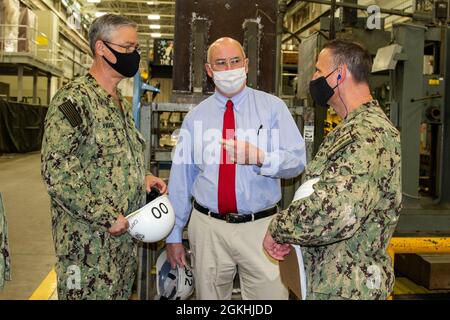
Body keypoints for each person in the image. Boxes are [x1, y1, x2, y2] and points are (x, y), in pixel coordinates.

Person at [165, 37, 306, 300]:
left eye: (235, 61)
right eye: (221, 63)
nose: (229, 69)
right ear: (209, 70)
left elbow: (297, 161)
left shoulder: (273, 109)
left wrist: (260, 157)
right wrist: (174, 235)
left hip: (261, 227)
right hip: (208, 228)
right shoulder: (196, 118)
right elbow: (181, 180)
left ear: (247, 64)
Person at [263, 39, 402, 300]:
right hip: (331, 284)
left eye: (318, 70)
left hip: (349, 289)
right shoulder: (351, 129)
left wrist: (279, 227)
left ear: (339, 74)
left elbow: (337, 212)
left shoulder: (366, 133)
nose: (314, 78)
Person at [41, 14, 167, 300]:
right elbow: (56, 173)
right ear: (101, 48)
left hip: (121, 246)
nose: (133, 56)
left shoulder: (117, 103)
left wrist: (142, 178)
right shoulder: (74, 100)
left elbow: (113, 161)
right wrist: (106, 215)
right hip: (88, 247)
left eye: (136, 49)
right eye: (126, 48)